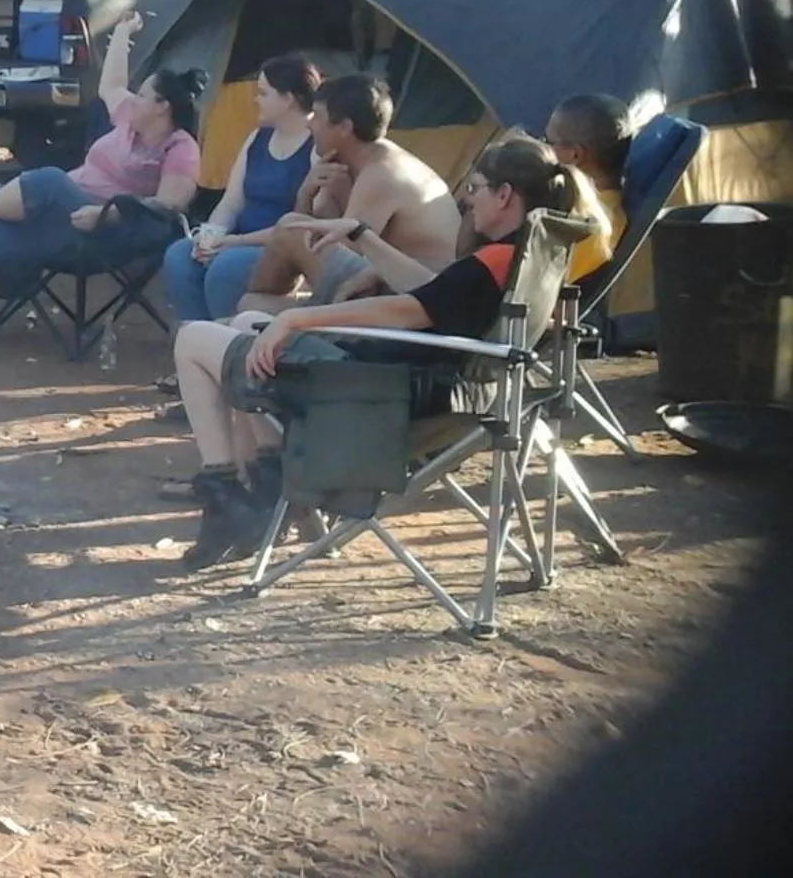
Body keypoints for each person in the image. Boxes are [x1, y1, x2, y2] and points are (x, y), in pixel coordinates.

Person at [169, 132, 608, 570]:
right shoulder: (518, 257)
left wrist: (297, 318)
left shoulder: (490, 262)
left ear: (505, 195)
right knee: (247, 326)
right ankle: (271, 483)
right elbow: (431, 294)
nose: (468, 202)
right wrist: (362, 236)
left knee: (192, 338)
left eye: (474, 189)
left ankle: (224, 496)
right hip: (434, 388)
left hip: (381, 395)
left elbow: (409, 310)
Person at [0, 11, 202, 361]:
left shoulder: (180, 148)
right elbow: (111, 85)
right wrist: (123, 31)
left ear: (162, 108)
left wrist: (107, 215)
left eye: (141, 97)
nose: (132, 100)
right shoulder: (129, 122)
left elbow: (169, 206)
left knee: (47, 179)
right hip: (66, 221)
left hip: (110, 233)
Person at [236, 72, 461, 312]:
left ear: (344, 127)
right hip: (378, 283)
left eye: (318, 116)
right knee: (252, 305)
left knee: (290, 227)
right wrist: (306, 195)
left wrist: (236, 241)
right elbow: (318, 230)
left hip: (415, 294)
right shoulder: (348, 163)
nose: (309, 123)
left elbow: (337, 246)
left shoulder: (383, 173)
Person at [161, 55, 319, 325]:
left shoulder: (316, 147)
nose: (255, 99)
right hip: (238, 240)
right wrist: (209, 238)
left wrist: (233, 243)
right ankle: (197, 338)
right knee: (180, 255)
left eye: (263, 93)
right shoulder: (258, 137)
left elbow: (300, 226)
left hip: (279, 250)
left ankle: (229, 346)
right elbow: (232, 202)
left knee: (225, 267)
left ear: (288, 99)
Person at [544, 92, 632, 281]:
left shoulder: (589, 230)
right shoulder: (584, 210)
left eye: (548, 142)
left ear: (574, 155)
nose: (543, 149)